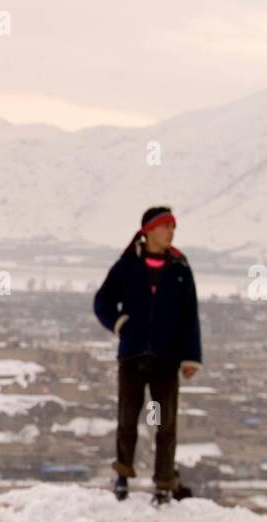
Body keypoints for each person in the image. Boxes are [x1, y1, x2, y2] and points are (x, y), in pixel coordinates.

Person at [92, 206, 202, 504]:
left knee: (163, 422)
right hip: (132, 355)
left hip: (166, 358)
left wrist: (191, 357)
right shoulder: (128, 266)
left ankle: (163, 483)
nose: (170, 233)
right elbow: (102, 301)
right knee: (128, 418)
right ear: (150, 230)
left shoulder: (180, 268)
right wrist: (119, 324)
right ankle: (123, 476)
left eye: (173, 228)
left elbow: (190, 315)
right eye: (166, 227)